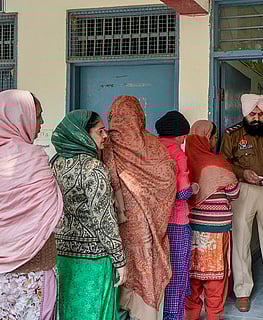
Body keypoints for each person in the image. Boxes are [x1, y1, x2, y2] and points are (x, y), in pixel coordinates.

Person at [103, 96, 176, 320]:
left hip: (116, 225)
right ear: (140, 115)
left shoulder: (106, 143)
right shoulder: (153, 144)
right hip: (147, 227)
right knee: (146, 266)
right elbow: (168, 178)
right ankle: (145, 313)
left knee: (118, 266)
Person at [51, 109, 127, 319]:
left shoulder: (54, 164)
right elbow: (104, 220)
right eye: (100, 131)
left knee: (69, 311)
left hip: (62, 255)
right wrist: (120, 261)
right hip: (94, 260)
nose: (105, 137)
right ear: (82, 135)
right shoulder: (94, 169)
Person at [220, 93, 263, 312]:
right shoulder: (232, 134)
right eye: (253, 114)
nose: (257, 117)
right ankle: (242, 291)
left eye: (260, 113)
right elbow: (223, 162)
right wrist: (241, 173)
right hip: (243, 191)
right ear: (245, 114)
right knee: (241, 241)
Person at [0, 90, 63, 320]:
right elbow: (53, 211)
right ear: (19, 118)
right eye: (38, 116)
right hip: (34, 271)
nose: (42, 123)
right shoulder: (33, 157)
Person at [184, 120, 240, 320]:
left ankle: (191, 315)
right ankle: (214, 315)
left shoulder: (184, 160)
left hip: (191, 227)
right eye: (214, 137)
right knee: (215, 277)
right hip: (217, 228)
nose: (215, 141)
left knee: (192, 276)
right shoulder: (218, 163)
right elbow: (234, 192)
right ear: (207, 138)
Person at [156, 111, 195, 320]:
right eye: (184, 136)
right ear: (179, 134)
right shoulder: (178, 153)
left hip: (154, 223)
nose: (184, 140)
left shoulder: (150, 149)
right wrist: (194, 187)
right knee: (177, 273)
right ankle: (173, 316)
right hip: (177, 222)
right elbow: (182, 192)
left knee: (158, 273)